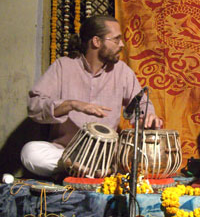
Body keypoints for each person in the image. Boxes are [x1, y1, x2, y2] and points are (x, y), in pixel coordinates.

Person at [21, 15, 163, 178]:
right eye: (116, 40)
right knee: (30, 152)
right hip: (67, 153)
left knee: (139, 155)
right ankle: (76, 167)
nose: (122, 44)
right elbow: (34, 105)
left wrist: (147, 117)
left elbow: (141, 103)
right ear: (96, 41)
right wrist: (72, 104)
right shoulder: (63, 66)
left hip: (107, 156)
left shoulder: (122, 72)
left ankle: (89, 170)